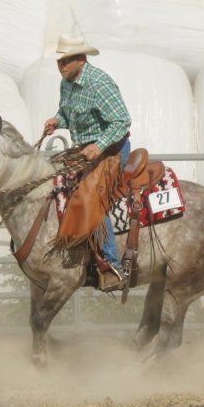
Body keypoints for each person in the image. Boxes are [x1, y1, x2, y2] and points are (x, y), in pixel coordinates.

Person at [43, 34, 131, 291]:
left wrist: (100, 145)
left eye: (67, 61)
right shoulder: (67, 83)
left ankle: (112, 266)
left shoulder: (99, 83)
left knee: (92, 197)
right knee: (53, 183)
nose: (62, 66)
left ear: (81, 60)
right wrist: (57, 120)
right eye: (60, 61)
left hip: (113, 150)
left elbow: (122, 121)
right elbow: (67, 112)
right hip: (83, 151)